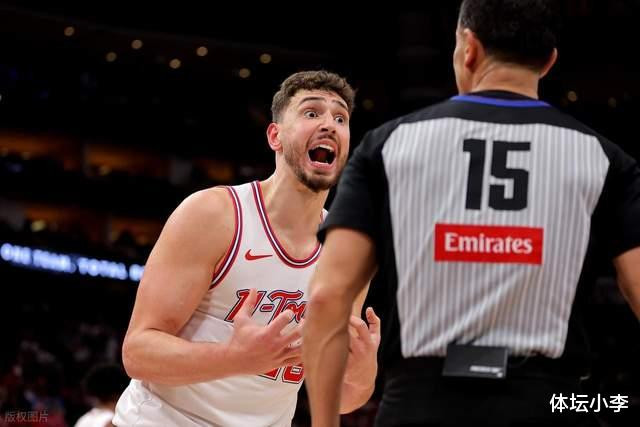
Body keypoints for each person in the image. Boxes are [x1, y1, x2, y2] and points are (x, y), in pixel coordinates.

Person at [303, 1, 640, 426]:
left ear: (469, 48)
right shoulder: (605, 159)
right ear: (549, 61)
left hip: (419, 403)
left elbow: (327, 297)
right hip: (550, 401)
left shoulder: (388, 145)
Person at [112, 70, 380, 427]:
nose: (329, 125)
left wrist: (362, 373)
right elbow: (138, 352)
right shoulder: (214, 214)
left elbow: (339, 397)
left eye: (340, 118)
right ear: (275, 136)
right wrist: (235, 358)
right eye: (311, 112)